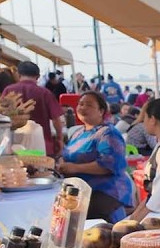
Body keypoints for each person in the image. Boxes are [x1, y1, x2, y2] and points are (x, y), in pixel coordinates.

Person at [56, 91, 135, 222]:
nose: (83, 108)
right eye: (80, 104)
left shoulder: (108, 133)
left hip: (104, 195)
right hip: (78, 194)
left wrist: (75, 168)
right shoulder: (78, 132)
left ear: (101, 111)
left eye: (89, 105)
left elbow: (109, 165)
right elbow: (67, 154)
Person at [1, 61, 66, 157]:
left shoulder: (9, 91)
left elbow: (1, 116)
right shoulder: (45, 93)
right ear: (38, 76)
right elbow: (56, 119)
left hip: (15, 148)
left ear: (18, 74)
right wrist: (60, 139)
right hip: (41, 148)